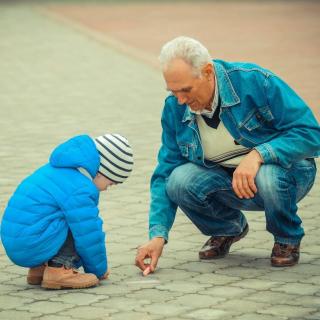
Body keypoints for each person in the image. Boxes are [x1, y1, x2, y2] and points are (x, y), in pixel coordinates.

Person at [135, 36, 320, 275]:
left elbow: (310, 133)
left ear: (208, 72)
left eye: (185, 90)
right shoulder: (175, 106)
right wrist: (158, 235)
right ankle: (228, 229)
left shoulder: (255, 81)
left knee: (268, 174)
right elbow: (165, 172)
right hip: (229, 180)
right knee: (177, 180)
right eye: (173, 91)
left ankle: (286, 236)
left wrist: (258, 155)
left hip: (287, 175)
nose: (180, 99)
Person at [1, 133, 133, 289]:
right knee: (79, 224)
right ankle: (59, 270)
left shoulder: (56, 168)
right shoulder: (80, 188)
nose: (106, 189)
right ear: (101, 172)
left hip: (18, 243)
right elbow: (89, 234)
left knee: (54, 215)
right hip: (32, 243)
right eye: (110, 183)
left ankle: (39, 268)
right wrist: (98, 270)